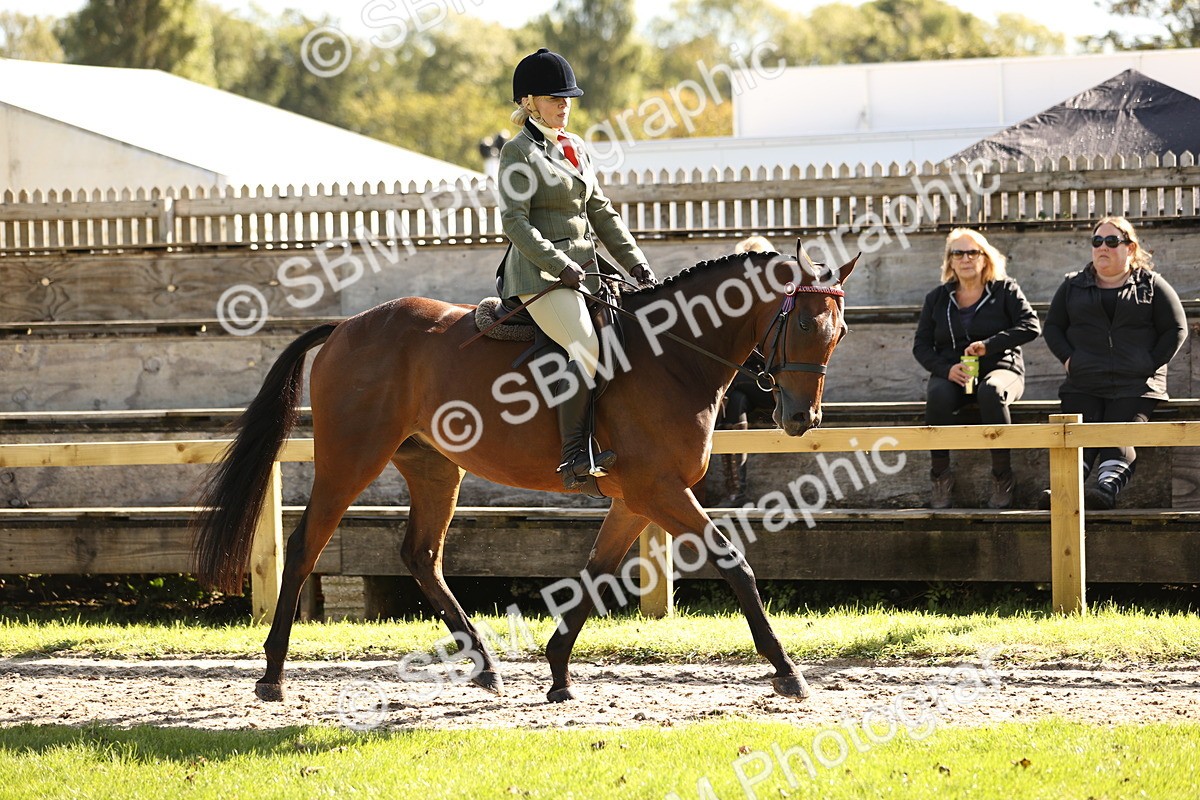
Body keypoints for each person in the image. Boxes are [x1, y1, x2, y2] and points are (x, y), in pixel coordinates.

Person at [498, 48, 656, 490]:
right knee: (587, 347)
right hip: (540, 276)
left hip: (587, 270)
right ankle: (573, 457)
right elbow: (515, 222)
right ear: (529, 102)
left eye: (568, 98)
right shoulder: (518, 152)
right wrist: (560, 263)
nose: (564, 105)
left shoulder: (576, 147)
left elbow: (601, 212)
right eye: (554, 98)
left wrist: (637, 263)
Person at [1041, 216, 1188, 510]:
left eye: (1111, 241)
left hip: (1136, 384)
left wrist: (1149, 364)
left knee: (1116, 430)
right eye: (1097, 241)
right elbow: (1053, 327)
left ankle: (1106, 489)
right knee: (1077, 432)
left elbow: (1176, 328)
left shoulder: (1151, 285)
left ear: (1130, 248)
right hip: (1084, 379)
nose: (1102, 248)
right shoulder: (1073, 285)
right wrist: (1071, 361)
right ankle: (1064, 489)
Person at [913, 228, 1041, 509]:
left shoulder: (1005, 289)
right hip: (956, 373)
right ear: (949, 261)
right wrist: (946, 369)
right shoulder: (937, 298)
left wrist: (990, 345)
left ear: (985, 257)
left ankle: (1002, 476)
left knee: (991, 391)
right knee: (937, 394)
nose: (965, 258)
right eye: (958, 253)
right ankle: (940, 476)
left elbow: (1031, 326)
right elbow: (921, 346)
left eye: (973, 252)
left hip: (1002, 369)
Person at [713, 235, 777, 505]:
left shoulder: (779, 301)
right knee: (735, 399)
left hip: (776, 383)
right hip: (745, 387)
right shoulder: (734, 303)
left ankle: (735, 492)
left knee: (733, 391)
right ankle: (735, 492)